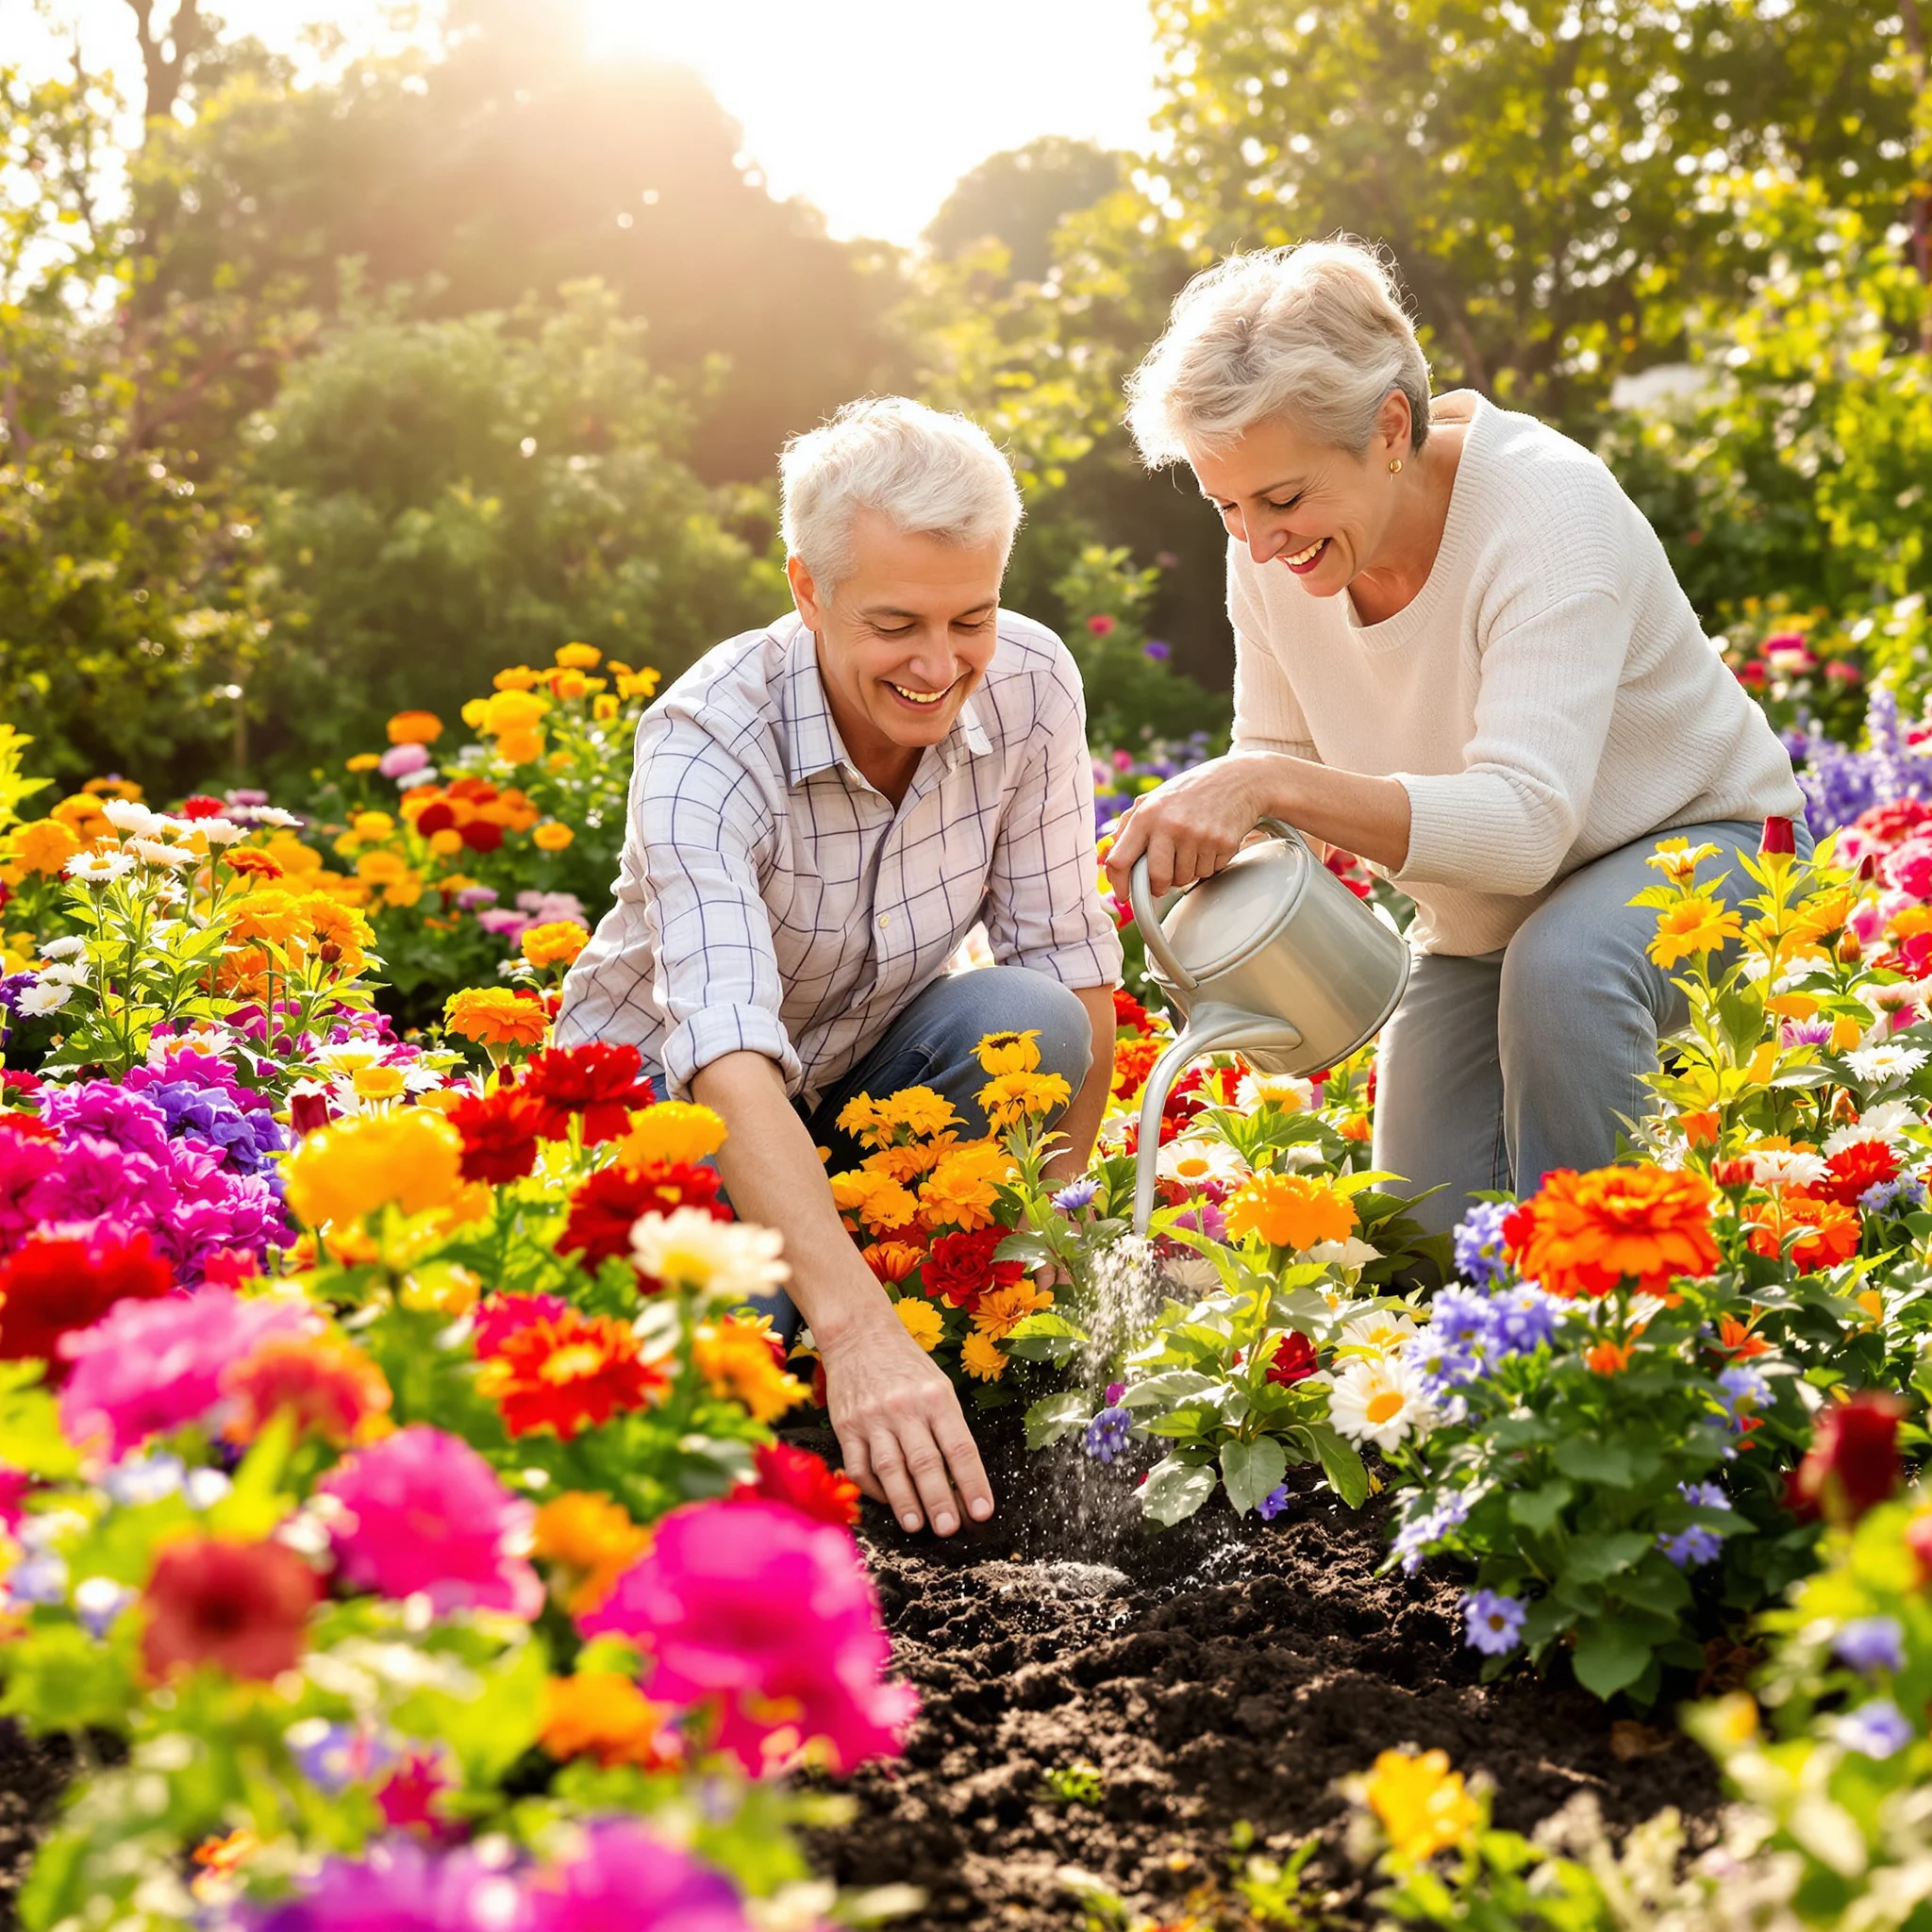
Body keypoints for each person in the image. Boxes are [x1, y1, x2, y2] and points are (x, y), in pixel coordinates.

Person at [1105, 240, 1806, 1237]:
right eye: (1227, 507)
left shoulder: (1546, 509)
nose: (1257, 543)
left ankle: (1602, 1306)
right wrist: (1199, 847)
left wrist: (1260, 784)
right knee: (1419, 1229)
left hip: (1710, 850)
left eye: (1282, 499)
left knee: (1567, 969)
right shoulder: (1274, 553)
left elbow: (1522, 824)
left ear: (1389, 426)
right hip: (1485, 918)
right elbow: (1281, 756)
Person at [558, 396, 1122, 1536]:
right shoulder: (707, 738)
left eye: (970, 617)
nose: (939, 663)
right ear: (806, 588)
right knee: (749, 1344)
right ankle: (814, 1323)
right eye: (894, 622)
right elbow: (722, 1053)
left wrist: (1047, 1240)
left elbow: (1067, 957)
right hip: (667, 1117)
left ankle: (863, 1282)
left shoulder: (1029, 681)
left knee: (1031, 1016)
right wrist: (860, 1330)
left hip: (857, 1084)